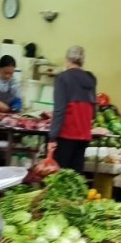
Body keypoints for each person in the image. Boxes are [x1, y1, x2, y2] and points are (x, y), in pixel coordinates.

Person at [48, 45, 96, 174]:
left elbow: (59, 109)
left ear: (67, 60)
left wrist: (52, 137)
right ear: (82, 61)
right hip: (84, 135)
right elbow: (93, 111)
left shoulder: (63, 78)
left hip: (67, 134)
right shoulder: (90, 79)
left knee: (59, 176)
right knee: (76, 176)